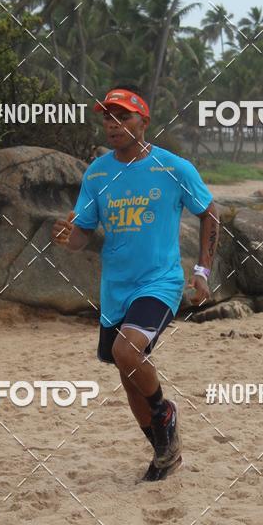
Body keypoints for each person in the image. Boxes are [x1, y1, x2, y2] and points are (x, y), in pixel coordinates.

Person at [52, 84, 219, 480]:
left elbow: (210, 213)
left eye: (122, 116)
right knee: (128, 379)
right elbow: (82, 234)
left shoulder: (173, 168)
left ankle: (165, 412)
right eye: (107, 117)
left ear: (143, 122)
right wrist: (67, 238)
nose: (113, 124)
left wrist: (201, 272)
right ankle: (165, 451)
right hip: (115, 291)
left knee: (129, 353)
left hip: (159, 282)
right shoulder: (98, 173)